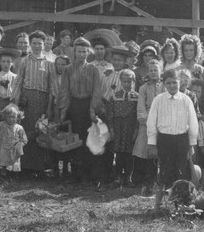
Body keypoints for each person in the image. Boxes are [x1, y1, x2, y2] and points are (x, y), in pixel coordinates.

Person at [147, 69, 199, 210]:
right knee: (165, 171)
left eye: (174, 83)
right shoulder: (158, 100)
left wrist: (192, 144)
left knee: (181, 171)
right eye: (168, 83)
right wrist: (152, 143)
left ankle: (181, 203)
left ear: (180, 82)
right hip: (164, 140)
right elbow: (151, 121)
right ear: (164, 84)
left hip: (182, 139)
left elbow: (193, 123)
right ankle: (161, 204)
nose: (172, 86)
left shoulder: (186, 99)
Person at [57, 37, 103, 182]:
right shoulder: (68, 69)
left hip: (88, 106)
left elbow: (97, 90)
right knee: (74, 138)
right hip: (74, 106)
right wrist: (63, 110)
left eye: (84, 51)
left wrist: (92, 110)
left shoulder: (93, 69)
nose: (82, 54)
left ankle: (88, 173)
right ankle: (75, 173)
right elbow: (64, 90)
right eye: (79, 51)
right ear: (75, 52)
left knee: (88, 139)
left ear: (88, 52)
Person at [11, 30, 57, 172]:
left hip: (43, 101)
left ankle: (40, 168)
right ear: (30, 44)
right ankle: (25, 167)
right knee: (26, 132)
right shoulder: (25, 61)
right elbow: (18, 83)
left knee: (41, 131)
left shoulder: (49, 63)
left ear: (44, 45)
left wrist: (49, 107)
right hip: (27, 101)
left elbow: (52, 87)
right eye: (34, 43)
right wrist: (15, 104)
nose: (37, 46)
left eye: (40, 43)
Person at [133, 59, 163, 196]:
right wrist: (146, 121)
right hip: (147, 122)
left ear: (160, 71)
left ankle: (158, 180)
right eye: (150, 70)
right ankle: (144, 180)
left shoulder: (164, 86)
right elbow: (140, 108)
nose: (153, 72)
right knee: (144, 149)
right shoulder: (143, 88)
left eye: (155, 70)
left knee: (160, 150)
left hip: (162, 122)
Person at [106, 69, 140, 188]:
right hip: (118, 127)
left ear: (133, 81)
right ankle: (117, 177)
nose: (127, 84)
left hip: (131, 128)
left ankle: (128, 177)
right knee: (119, 153)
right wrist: (111, 130)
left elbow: (138, 116)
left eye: (129, 81)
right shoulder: (114, 96)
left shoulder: (137, 97)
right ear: (120, 81)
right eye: (124, 81)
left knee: (130, 153)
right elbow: (110, 115)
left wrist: (136, 130)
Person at [0, 105, 27, 178]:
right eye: (9, 117)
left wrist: (20, 145)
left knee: (12, 163)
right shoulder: (2, 125)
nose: (11, 119)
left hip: (13, 149)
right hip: (3, 148)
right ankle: (2, 177)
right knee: (3, 164)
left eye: (13, 117)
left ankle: (12, 177)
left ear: (17, 117)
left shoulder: (19, 128)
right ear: (5, 117)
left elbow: (24, 139)